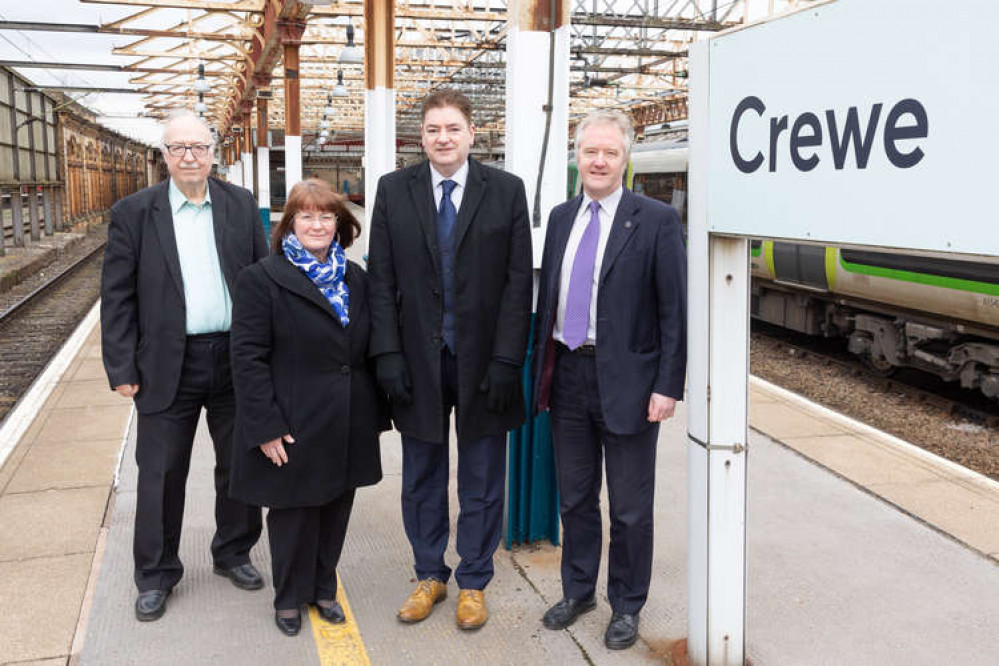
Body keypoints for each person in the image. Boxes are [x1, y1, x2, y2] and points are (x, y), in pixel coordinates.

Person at [367, 89, 532, 630]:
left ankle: (475, 580)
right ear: (421, 137)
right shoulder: (393, 191)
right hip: (418, 360)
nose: (443, 138)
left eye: (453, 129)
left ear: (472, 134)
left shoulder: (506, 191)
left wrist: (509, 359)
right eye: (433, 129)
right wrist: (387, 351)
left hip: (485, 362)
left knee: (483, 476)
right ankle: (429, 574)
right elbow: (382, 278)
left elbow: (516, 284)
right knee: (421, 474)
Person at [100, 110, 267, 621]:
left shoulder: (240, 206)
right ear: (165, 156)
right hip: (164, 364)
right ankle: (154, 574)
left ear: (213, 152)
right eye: (179, 148)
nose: (190, 156)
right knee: (160, 472)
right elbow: (117, 296)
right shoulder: (134, 212)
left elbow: (262, 283)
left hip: (234, 358)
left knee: (240, 463)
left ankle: (233, 551)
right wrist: (122, 365)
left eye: (198, 147)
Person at [531, 110, 687, 649]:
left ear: (626, 159)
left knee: (628, 506)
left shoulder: (656, 221)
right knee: (575, 498)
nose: (599, 161)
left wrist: (668, 385)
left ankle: (626, 604)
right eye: (590, 151)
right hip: (568, 373)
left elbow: (674, 312)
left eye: (610, 152)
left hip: (631, 383)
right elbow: (547, 296)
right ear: (577, 155)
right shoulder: (559, 217)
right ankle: (578, 591)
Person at [229, 179, 385, 636]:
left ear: (340, 225)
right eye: (306, 216)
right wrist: (264, 426)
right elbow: (248, 357)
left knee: (336, 508)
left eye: (326, 216)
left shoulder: (356, 278)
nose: (317, 224)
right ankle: (288, 598)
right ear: (289, 225)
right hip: (293, 418)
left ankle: (321, 588)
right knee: (293, 512)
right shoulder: (260, 280)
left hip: (347, 415)